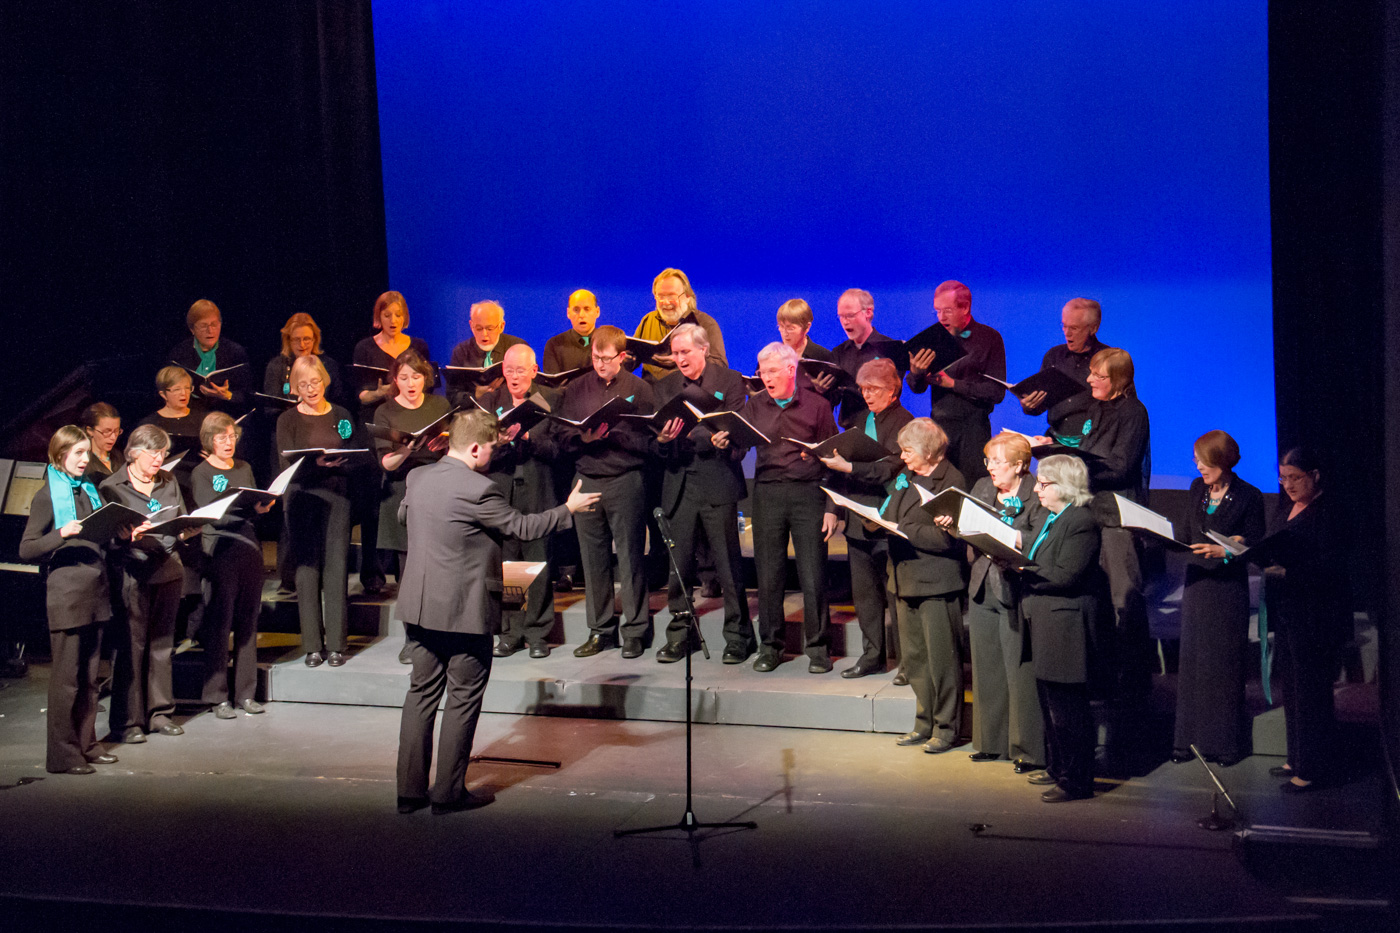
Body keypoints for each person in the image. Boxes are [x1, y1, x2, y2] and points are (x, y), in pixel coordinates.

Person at [395, 410, 599, 814]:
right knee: (462, 698)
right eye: (490, 448)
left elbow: (405, 516)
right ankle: (448, 793)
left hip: (419, 608)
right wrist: (568, 510)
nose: (492, 455)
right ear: (474, 447)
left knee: (420, 696)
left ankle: (409, 791)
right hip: (463, 611)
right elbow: (522, 528)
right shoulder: (479, 489)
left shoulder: (417, 477)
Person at [1032, 347, 1151, 710]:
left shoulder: (1134, 412)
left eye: (1098, 377)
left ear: (1119, 380)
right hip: (1091, 510)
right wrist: (1054, 448)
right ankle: (1101, 676)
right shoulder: (1096, 407)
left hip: (1117, 516)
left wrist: (1081, 464)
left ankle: (1133, 684)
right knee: (1096, 598)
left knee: (1123, 600)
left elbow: (1121, 466)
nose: (1089, 381)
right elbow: (1085, 444)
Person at [651, 324, 755, 663]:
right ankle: (681, 635)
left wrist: (726, 441)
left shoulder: (729, 381)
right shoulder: (665, 386)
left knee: (728, 564)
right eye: (675, 353)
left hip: (717, 480)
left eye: (685, 352)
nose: (679, 359)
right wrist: (664, 442)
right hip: (679, 482)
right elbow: (655, 442)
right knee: (678, 566)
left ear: (704, 350)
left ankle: (738, 637)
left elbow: (741, 431)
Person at [735, 342, 842, 673]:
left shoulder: (818, 406)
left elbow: (834, 460)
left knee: (813, 574)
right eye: (761, 371)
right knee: (769, 575)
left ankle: (818, 647)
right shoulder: (755, 406)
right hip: (767, 494)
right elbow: (739, 446)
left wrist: (831, 508)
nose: (765, 378)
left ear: (791, 370)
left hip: (808, 494)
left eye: (771, 372)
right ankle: (770, 645)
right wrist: (725, 440)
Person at [1252, 448, 1351, 793]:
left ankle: (1313, 768)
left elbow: (1334, 569)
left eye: (1295, 477)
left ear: (1315, 475)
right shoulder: (1286, 507)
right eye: (1283, 477)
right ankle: (1296, 756)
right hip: (1290, 611)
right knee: (1292, 687)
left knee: (1312, 692)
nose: (1288, 484)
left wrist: (1288, 571)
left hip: (1317, 615)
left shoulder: (1329, 513)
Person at [20, 426, 117, 774]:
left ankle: (86, 743)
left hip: (95, 590)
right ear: (60, 455)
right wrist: (61, 533)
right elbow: (27, 548)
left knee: (90, 677)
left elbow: (102, 534)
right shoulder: (48, 496)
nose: (85, 459)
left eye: (86, 453)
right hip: (67, 596)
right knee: (66, 680)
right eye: (78, 453)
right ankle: (62, 755)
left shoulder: (91, 490)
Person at [556, 325, 656, 658]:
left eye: (607, 358)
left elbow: (651, 441)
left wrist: (618, 437)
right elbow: (560, 433)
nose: (600, 364)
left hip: (625, 479)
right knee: (593, 560)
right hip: (587, 479)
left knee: (629, 558)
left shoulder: (640, 389)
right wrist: (581, 439)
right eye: (596, 357)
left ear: (623, 357)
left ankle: (635, 632)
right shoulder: (577, 387)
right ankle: (600, 630)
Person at [1171, 430, 1267, 766]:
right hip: (1197, 584)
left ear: (1222, 461)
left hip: (1227, 590)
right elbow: (1185, 533)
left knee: (1222, 666)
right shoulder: (1197, 489)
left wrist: (1226, 550)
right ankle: (1187, 742)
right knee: (1194, 663)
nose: (1197, 466)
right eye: (1196, 459)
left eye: (1203, 460)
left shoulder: (1249, 496)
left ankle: (1224, 745)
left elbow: (1254, 544)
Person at [1014, 455, 1104, 802]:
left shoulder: (1081, 520)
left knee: (1069, 710)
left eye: (1043, 483)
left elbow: (1067, 574)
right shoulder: (1052, 518)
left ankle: (1077, 780)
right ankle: (1059, 767)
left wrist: (1021, 569)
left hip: (1066, 625)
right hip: (1045, 620)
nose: (1036, 489)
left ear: (1064, 486)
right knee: (1051, 705)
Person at [817, 358, 912, 679]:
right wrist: (832, 510)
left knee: (894, 594)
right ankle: (873, 656)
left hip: (888, 519)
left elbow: (890, 468)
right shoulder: (859, 420)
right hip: (857, 518)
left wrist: (851, 468)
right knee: (866, 596)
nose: (867, 395)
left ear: (893, 390)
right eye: (863, 389)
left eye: (874, 389)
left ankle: (907, 663)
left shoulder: (905, 423)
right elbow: (840, 466)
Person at [99, 424, 188, 743]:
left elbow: (181, 518)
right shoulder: (112, 487)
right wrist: (122, 537)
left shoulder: (168, 480)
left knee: (162, 644)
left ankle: (159, 713)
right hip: (132, 573)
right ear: (134, 453)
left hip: (167, 570)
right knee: (131, 648)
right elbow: (103, 538)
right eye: (154, 454)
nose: (159, 460)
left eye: (163, 454)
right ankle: (128, 721)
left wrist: (182, 529)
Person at [884, 419, 967, 753]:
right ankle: (924, 722)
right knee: (916, 659)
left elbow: (948, 540)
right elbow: (889, 511)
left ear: (929, 450)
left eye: (908, 450)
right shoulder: (906, 477)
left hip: (936, 582)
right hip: (904, 578)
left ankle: (947, 728)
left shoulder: (952, 480)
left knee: (942, 662)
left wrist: (905, 530)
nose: (903, 457)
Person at [964, 433, 1046, 769]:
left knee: (1019, 671)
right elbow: (967, 523)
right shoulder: (983, 487)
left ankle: (1026, 748)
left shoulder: (1036, 492)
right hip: (983, 583)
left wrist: (1010, 539)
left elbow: (1038, 536)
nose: (992, 468)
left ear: (1020, 466)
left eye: (999, 462)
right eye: (989, 461)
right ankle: (990, 742)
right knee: (987, 668)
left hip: (1015, 587)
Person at [276, 356, 362, 668]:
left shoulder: (341, 415)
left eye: (315, 382)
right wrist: (316, 464)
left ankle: (337, 644)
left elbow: (357, 452)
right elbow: (286, 464)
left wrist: (341, 462)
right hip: (302, 497)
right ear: (295, 388)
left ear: (324, 380)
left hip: (337, 496)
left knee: (336, 566)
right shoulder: (287, 419)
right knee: (307, 569)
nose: (310, 389)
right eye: (303, 385)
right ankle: (312, 645)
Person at [190, 412, 273, 719]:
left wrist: (261, 506)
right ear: (209, 441)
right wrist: (239, 508)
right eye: (221, 438)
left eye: (232, 437)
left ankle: (246, 694)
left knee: (249, 622)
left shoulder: (244, 467)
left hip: (248, 546)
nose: (228, 443)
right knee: (220, 623)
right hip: (219, 547)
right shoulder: (200, 472)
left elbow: (249, 510)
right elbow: (208, 513)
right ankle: (217, 697)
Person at [483, 344, 563, 659]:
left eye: (521, 370)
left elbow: (559, 451)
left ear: (534, 371)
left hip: (537, 488)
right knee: (510, 566)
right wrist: (497, 442)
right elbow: (480, 452)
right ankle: (511, 632)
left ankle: (538, 634)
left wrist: (529, 439)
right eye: (510, 370)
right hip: (502, 491)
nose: (515, 377)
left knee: (536, 564)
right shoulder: (491, 402)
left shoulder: (549, 401)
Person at [352, 291, 429, 595]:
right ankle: (373, 573)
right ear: (378, 317)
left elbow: (427, 380)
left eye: (398, 315)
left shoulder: (418, 346)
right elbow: (360, 394)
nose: (393, 320)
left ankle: (408, 573)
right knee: (377, 504)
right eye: (387, 315)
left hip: (410, 425)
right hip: (378, 429)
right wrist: (385, 392)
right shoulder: (365, 348)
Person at [905, 280, 1007, 484]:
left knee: (971, 486)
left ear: (965, 307)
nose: (941, 317)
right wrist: (916, 373)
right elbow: (917, 388)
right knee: (937, 486)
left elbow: (997, 392)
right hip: (940, 429)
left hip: (973, 430)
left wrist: (953, 384)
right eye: (937, 311)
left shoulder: (989, 338)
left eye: (948, 311)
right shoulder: (934, 337)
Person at [374, 349, 453, 583]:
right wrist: (408, 447)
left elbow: (454, 451)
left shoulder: (439, 405)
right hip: (402, 491)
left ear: (425, 378)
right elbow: (387, 463)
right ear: (395, 380)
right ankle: (412, 619)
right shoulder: (385, 411)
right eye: (404, 377)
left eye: (416, 377)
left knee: (438, 564)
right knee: (409, 569)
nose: (411, 383)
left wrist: (448, 443)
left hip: (436, 489)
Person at [1020, 298, 1110, 438]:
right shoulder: (1054, 356)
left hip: (1095, 443)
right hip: (1055, 440)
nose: (1067, 333)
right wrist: (1029, 405)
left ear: (1093, 328)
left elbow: (1125, 409)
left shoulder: (1109, 359)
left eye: (1074, 328)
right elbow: (1040, 406)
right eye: (1064, 326)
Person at [828, 288, 908, 428]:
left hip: (884, 428)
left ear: (868, 312)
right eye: (841, 316)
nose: (845, 322)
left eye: (850, 315)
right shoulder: (839, 352)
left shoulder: (891, 348)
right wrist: (823, 390)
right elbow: (833, 399)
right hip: (851, 430)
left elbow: (895, 391)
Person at [632, 268, 727, 383]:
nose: (666, 302)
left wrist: (684, 359)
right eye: (660, 296)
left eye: (672, 296)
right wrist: (626, 360)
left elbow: (720, 367)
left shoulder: (705, 324)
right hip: (653, 396)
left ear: (687, 297)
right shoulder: (648, 320)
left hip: (690, 394)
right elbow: (632, 360)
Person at [167, 299, 251, 412]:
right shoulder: (179, 353)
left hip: (225, 412)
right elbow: (168, 390)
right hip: (189, 412)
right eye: (203, 326)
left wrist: (228, 395)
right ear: (192, 329)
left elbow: (247, 395)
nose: (210, 330)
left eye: (214, 325)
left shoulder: (235, 352)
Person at [448, 300, 524, 405]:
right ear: (471, 326)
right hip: (474, 413)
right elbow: (452, 396)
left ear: (501, 326)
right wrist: (475, 394)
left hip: (510, 406)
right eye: (479, 328)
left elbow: (532, 385)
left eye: (490, 328)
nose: (484, 334)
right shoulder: (461, 351)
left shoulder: (517, 347)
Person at [263, 312, 344, 408]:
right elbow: (271, 408)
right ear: (288, 340)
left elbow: (337, 403)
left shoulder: (329, 365)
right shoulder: (277, 366)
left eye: (306, 339)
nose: (302, 345)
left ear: (314, 339)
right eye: (296, 339)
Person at [542, 289, 602, 374]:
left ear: (597, 312)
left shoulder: (610, 343)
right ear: (568, 313)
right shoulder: (554, 345)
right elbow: (552, 384)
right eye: (576, 310)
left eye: (587, 309)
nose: (581, 315)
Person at [776, 298, 835, 364]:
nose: (785, 333)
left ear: (807, 327)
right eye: (781, 326)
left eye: (791, 328)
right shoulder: (773, 355)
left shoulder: (824, 358)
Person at [79, 402, 124, 481]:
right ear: (90, 430)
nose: (113, 437)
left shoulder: (118, 457)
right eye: (107, 432)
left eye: (116, 431)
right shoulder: (84, 463)